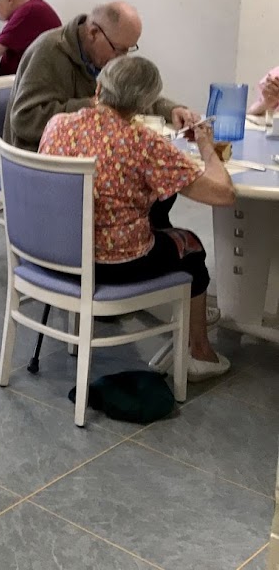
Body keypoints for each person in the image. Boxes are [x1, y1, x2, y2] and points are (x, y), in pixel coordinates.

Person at [39, 56, 236, 380]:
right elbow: (223, 194)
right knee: (191, 246)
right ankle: (200, 352)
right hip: (115, 265)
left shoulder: (58, 124)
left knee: (159, 209)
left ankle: (182, 316)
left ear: (99, 87)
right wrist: (206, 147)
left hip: (56, 253)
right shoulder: (144, 144)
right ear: (145, 104)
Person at [4, 2, 202, 152]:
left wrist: (173, 110)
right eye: (119, 49)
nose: (122, 58)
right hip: (40, 162)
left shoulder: (101, 55)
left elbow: (127, 96)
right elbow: (24, 120)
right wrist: (93, 106)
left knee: (158, 181)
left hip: (84, 150)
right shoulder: (49, 52)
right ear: (93, 33)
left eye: (128, 50)